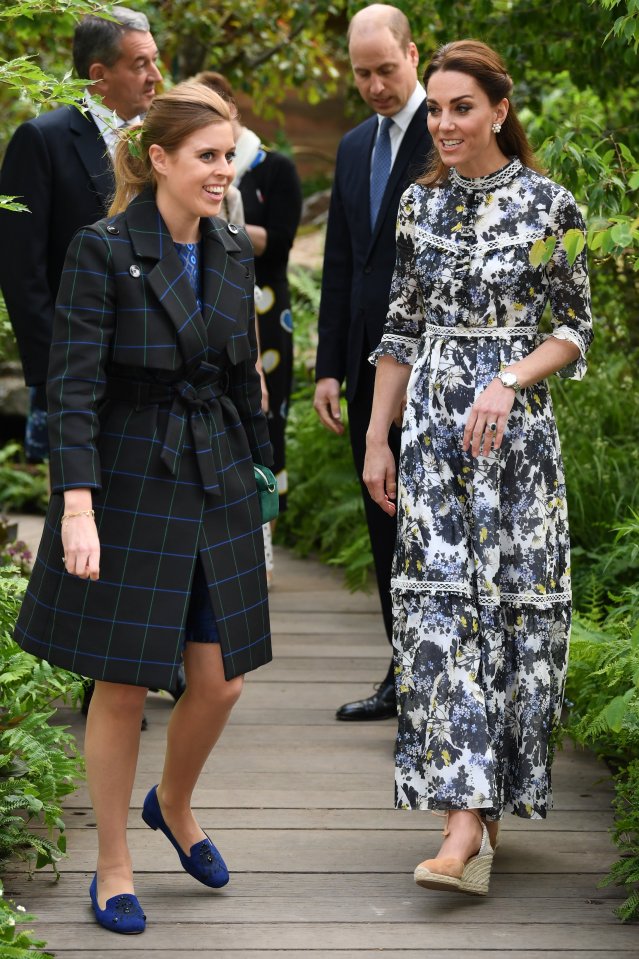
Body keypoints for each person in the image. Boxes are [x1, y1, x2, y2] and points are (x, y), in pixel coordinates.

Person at [13, 80, 273, 933]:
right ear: (157, 159)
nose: (221, 170)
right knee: (120, 685)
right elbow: (73, 385)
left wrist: (263, 473)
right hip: (128, 477)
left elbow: (244, 376)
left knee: (221, 680)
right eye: (206, 156)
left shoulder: (233, 247)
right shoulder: (101, 247)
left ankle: (174, 799)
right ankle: (113, 862)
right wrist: (75, 504)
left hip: (216, 473)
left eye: (228, 155)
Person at [363, 39, 593, 895]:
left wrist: (505, 377)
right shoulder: (418, 206)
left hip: (514, 441)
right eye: (434, 108)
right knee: (439, 610)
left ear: (499, 109)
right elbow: (398, 330)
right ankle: (459, 824)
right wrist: (377, 437)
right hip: (429, 435)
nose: (444, 122)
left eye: (461, 106)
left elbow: (573, 331)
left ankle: (482, 813)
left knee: (507, 614)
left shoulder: (549, 204)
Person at [313, 4, 431, 721]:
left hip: (437, 365)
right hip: (363, 367)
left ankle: (433, 675)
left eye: (385, 69)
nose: (375, 85)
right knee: (383, 522)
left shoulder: (448, 129)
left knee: (430, 523)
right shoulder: (355, 144)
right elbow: (338, 263)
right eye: (362, 74)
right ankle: (402, 672)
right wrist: (328, 366)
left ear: (412, 55)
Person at [0, 6, 162, 464]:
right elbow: (20, 268)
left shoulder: (164, 141)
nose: (156, 76)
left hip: (158, 369)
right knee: (76, 507)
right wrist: (60, 369)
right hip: (77, 367)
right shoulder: (42, 140)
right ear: (98, 75)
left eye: (155, 60)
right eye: (140, 64)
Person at [194, 71, 302, 517]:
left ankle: (266, 518)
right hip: (211, 301)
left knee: (265, 412)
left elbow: (280, 239)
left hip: (264, 300)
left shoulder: (272, 169)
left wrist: (222, 229)